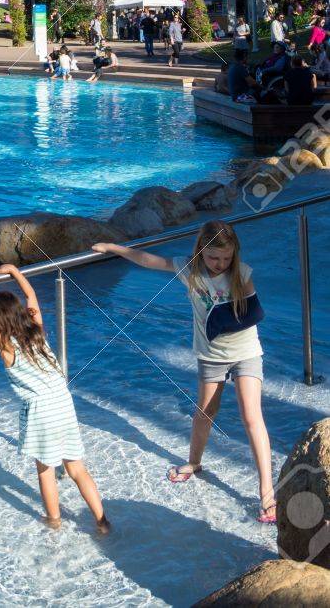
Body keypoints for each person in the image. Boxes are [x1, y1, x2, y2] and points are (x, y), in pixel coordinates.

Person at [92, 222, 274, 523]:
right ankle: (194, 463)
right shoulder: (190, 270)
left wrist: (221, 320)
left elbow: (255, 313)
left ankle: (266, 490)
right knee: (204, 413)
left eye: (226, 258)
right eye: (215, 258)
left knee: (251, 416)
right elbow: (150, 260)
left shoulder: (241, 273)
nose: (220, 264)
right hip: (211, 356)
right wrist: (114, 248)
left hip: (246, 352)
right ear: (202, 251)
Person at [0, 264, 110, 534]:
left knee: (45, 470)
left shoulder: (6, 346)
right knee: (77, 469)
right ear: (20, 313)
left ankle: (54, 521)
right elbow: (31, 296)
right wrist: (15, 272)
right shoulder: (37, 331)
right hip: (63, 404)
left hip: (41, 412)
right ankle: (102, 522)